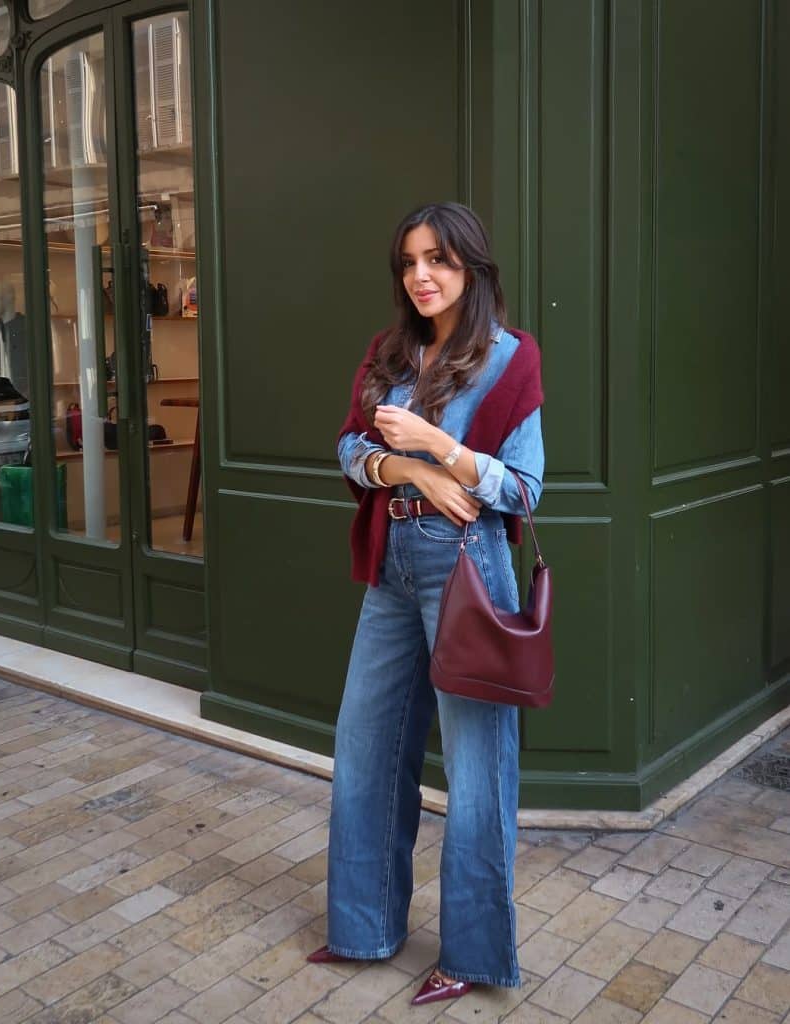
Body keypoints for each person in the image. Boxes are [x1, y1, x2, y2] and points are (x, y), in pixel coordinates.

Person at [307, 202, 545, 1007]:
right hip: (392, 565)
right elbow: (349, 447)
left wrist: (446, 451)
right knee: (367, 748)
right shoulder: (389, 353)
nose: (422, 276)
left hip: (468, 574)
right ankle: (364, 925)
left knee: (476, 773)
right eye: (410, 261)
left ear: (471, 268)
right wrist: (410, 473)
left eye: (439, 260)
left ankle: (474, 954)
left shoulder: (509, 360)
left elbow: (523, 488)